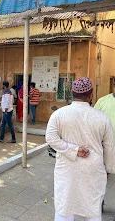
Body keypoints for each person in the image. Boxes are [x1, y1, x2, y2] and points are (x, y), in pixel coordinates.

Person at [46, 77, 115, 221]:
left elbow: (51, 138)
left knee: (65, 206)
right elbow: (110, 147)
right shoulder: (103, 118)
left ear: (72, 93)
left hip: (67, 168)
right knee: (92, 209)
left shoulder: (58, 114)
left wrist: (72, 150)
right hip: (93, 169)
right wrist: (109, 169)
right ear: (90, 95)